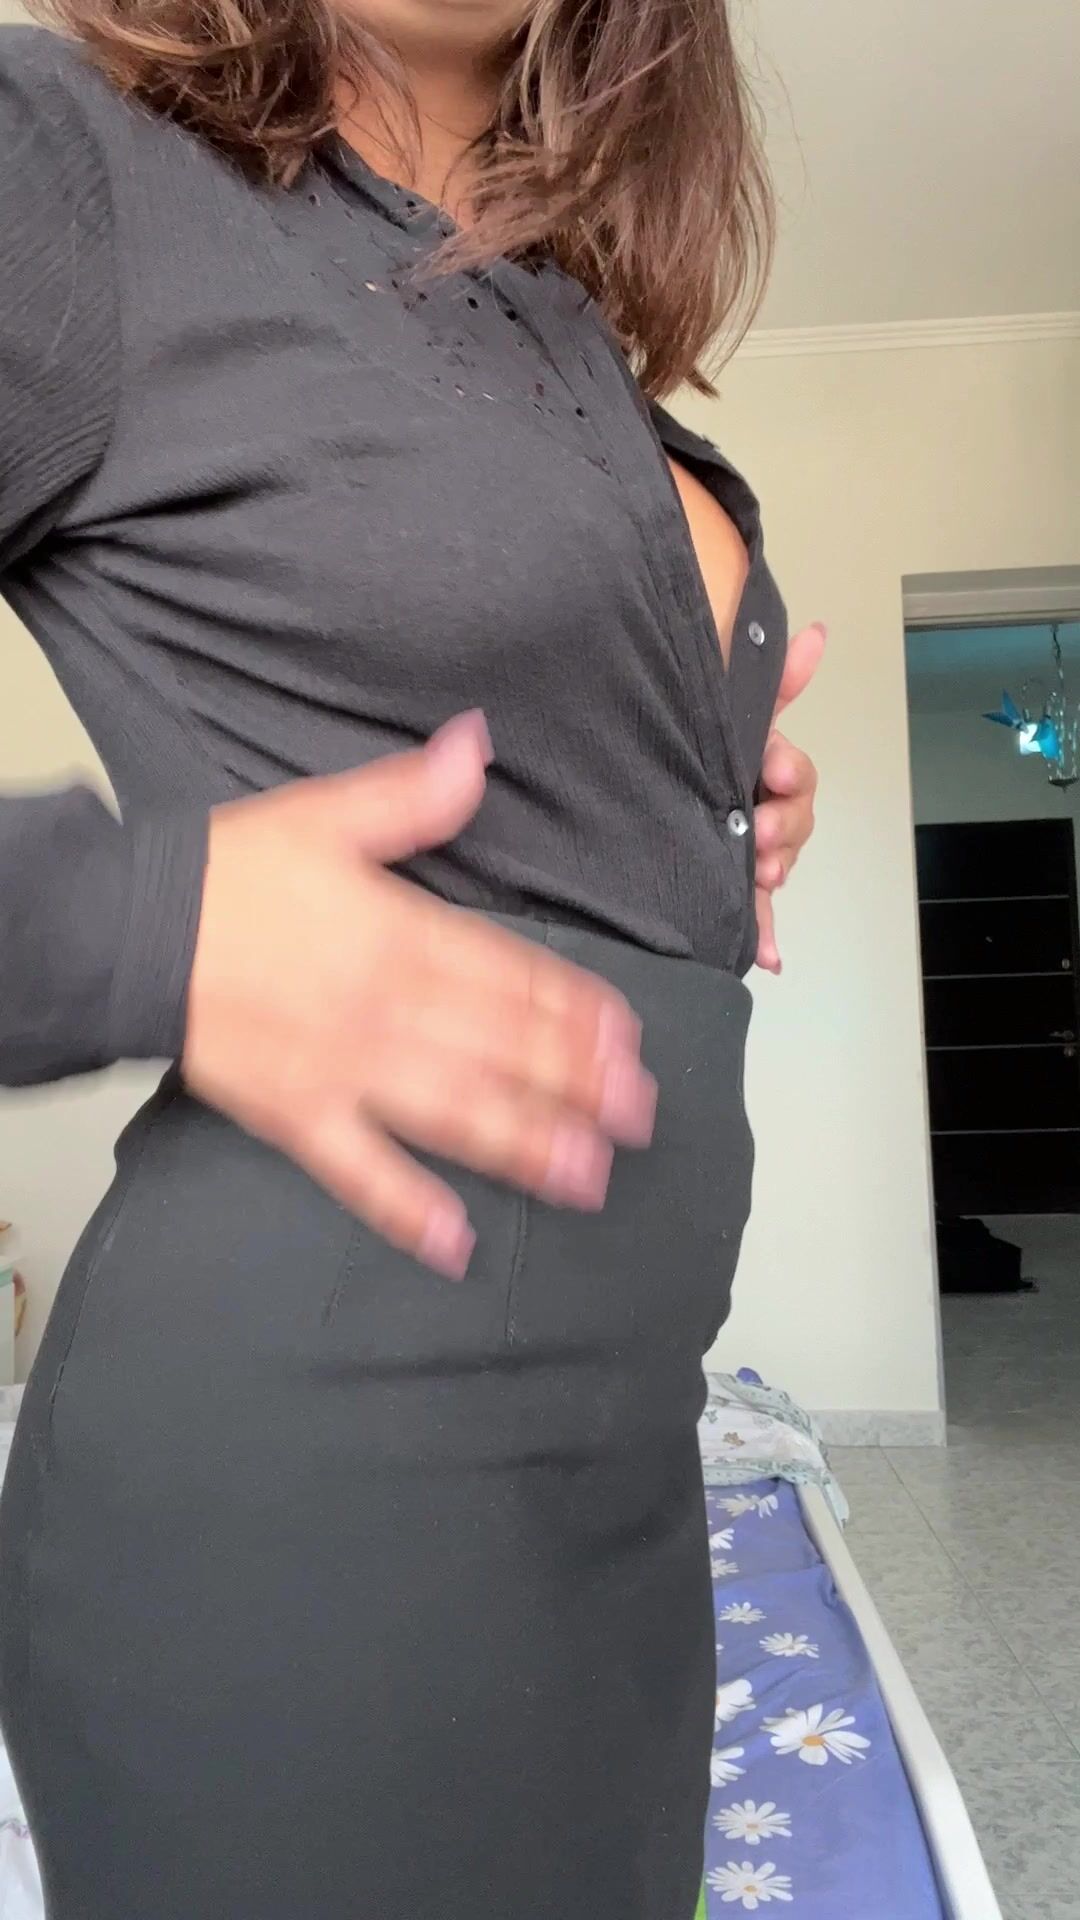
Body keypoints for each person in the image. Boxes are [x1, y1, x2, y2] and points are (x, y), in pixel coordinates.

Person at [0, 1, 822, 1914]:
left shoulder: (552, 308)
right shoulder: (62, 159)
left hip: (615, 1471)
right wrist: (151, 918)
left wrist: (698, 793)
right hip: (312, 1504)